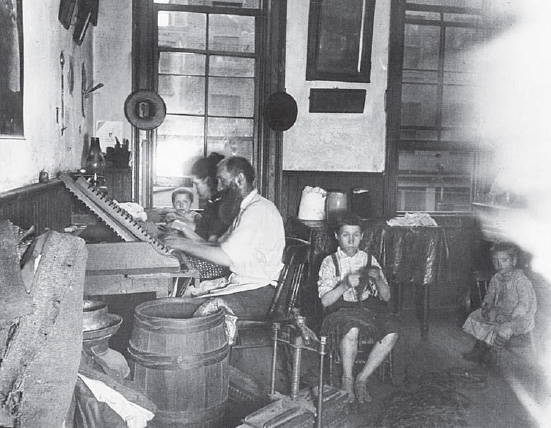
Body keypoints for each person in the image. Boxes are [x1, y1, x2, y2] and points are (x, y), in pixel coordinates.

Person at [163, 156, 286, 319]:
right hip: (249, 286)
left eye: (222, 180)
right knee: (182, 299)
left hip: (260, 293)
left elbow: (227, 257)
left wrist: (183, 244)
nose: (219, 187)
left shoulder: (257, 211)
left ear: (240, 179)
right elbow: (219, 246)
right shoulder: (248, 208)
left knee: (189, 312)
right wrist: (183, 241)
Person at [318, 212, 398, 404]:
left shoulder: (369, 260)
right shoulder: (330, 262)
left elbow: (386, 297)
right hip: (340, 311)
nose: (351, 240)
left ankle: (362, 379)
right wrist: (344, 285)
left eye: (356, 234)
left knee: (392, 332)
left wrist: (378, 279)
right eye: (346, 235)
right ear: (337, 236)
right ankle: (347, 379)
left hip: (368, 309)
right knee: (351, 329)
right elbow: (325, 301)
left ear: (362, 236)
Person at [462, 242, 537, 366]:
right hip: (501, 311)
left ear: (513, 261)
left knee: (505, 328)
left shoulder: (521, 280)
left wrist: (510, 317)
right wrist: (487, 306)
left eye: (504, 260)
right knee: (476, 316)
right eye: (495, 260)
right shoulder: (496, 278)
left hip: (520, 317)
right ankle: (479, 349)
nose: (499, 264)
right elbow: (490, 294)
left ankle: (494, 353)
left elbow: (524, 304)